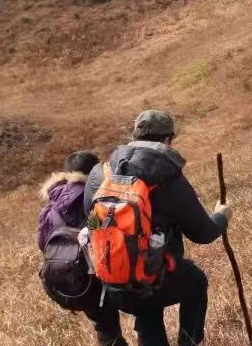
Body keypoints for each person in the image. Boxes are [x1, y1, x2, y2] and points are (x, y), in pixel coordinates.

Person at [85, 110, 231, 346]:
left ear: (135, 135)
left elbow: (91, 222)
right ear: (167, 139)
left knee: (146, 309)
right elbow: (203, 233)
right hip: (153, 276)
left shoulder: (100, 173)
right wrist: (221, 217)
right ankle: (189, 343)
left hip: (113, 282)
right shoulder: (168, 177)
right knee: (196, 283)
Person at [38, 150, 128, 346]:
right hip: (93, 273)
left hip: (63, 277)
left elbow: (42, 244)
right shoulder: (90, 195)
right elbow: (98, 228)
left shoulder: (50, 205)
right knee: (115, 323)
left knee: (105, 326)